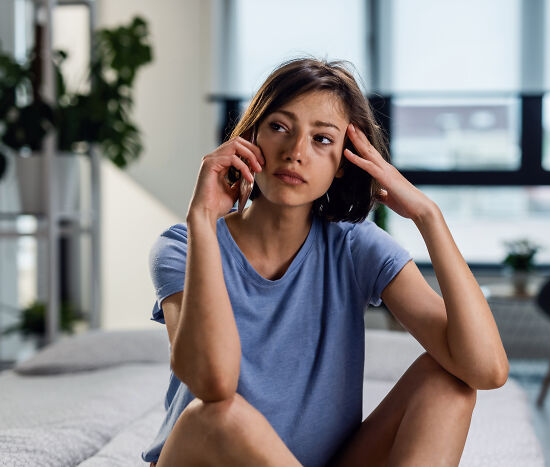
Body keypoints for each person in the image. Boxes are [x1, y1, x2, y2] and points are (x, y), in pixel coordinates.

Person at [141, 57, 509, 467]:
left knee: (449, 383)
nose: (295, 152)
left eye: (321, 140)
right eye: (279, 127)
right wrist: (203, 219)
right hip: (206, 457)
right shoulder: (183, 246)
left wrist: (428, 217)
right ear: (250, 139)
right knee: (221, 415)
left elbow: (486, 370)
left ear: (342, 162)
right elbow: (214, 383)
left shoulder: (355, 247)